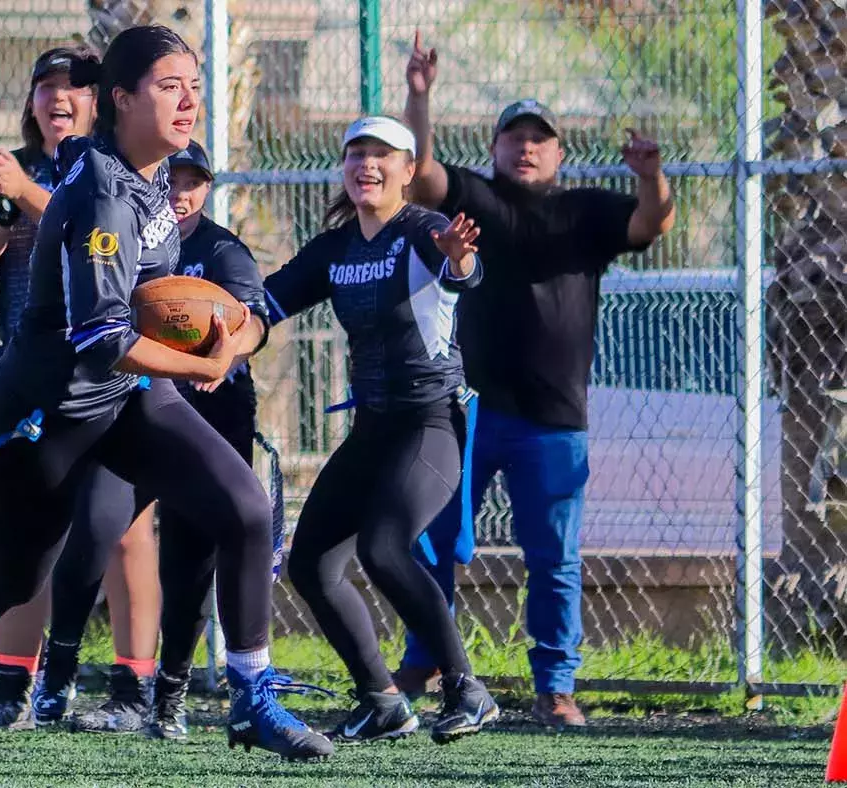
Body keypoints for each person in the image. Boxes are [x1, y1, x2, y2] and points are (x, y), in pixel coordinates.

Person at [0, 24, 333, 763]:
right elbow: (100, 335)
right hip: (49, 405)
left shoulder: (148, 173)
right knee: (17, 572)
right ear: (122, 99)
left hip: (125, 393)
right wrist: (198, 365)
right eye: (170, 86)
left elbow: (149, 311)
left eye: (194, 86)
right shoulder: (104, 192)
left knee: (247, 510)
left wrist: (223, 334)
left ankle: (251, 696)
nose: (190, 99)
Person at [398, 32, 675, 727]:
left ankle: (556, 686)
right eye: (513, 137)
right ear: (494, 149)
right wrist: (420, 97)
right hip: (464, 411)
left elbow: (652, 223)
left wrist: (649, 175)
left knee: (553, 556)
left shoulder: (586, 210)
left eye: (539, 138)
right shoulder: (477, 200)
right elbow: (423, 173)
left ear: (558, 152)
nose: (526, 147)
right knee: (431, 541)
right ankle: (424, 658)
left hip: (553, 418)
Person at [0, 44, 162, 734]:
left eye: (75, 88)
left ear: (105, 101)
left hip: (111, 376)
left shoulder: (109, 169)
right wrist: (6, 210)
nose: (59, 98)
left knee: (126, 532)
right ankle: (14, 689)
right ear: (31, 100)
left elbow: (81, 234)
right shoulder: (16, 168)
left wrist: (29, 196)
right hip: (32, 383)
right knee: (20, 539)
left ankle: (134, 688)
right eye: (47, 87)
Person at [268, 115, 498, 745]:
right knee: (311, 563)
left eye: (381, 155)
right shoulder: (337, 247)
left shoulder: (424, 229)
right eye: (355, 154)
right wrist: (210, 322)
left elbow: (460, 271)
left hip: (430, 425)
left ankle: (465, 690)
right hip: (371, 431)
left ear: (405, 170)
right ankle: (383, 702)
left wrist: (459, 258)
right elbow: (266, 301)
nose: (366, 165)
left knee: (385, 547)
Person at [39, 140, 271, 739]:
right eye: (174, 177)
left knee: (190, 561)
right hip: (135, 412)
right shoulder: (129, 230)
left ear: (208, 188)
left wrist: (227, 349)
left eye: (195, 180)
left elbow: (256, 321)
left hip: (208, 417)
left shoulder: (221, 250)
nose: (181, 190)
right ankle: (60, 680)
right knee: (91, 533)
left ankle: (167, 700)